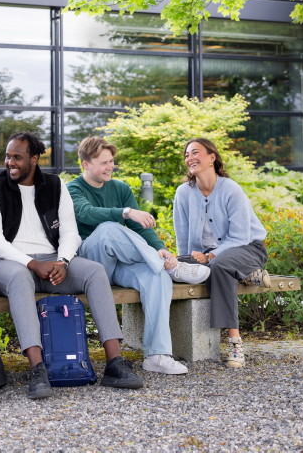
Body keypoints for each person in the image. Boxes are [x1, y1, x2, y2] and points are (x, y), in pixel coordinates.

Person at [0, 131, 144, 399]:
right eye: (8, 157)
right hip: (8, 263)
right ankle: (37, 368)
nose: (10, 162)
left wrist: (63, 260)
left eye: (17, 157)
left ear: (34, 158)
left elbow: (70, 232)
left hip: (52, 261)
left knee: (94, 271)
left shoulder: (55, 186)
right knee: (21, 278)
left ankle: (114, 363)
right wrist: (31, 263)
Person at [67, 137, 210, 375]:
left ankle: (157, 355)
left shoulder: (120, 188)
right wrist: (125, 212)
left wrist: (160, 248)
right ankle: (169, 267)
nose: (110, 167)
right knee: (108, 228)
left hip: (120, 265)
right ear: (85, 164)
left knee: (157, 278)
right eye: (103, 163)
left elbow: (140, 229)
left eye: (111, 161)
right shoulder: (72, 189)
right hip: (91, 266)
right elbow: (87, 213)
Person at [173, 137, 270, 368]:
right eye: (187, 155)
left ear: (212, 157)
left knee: (219, 265)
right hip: (207, 256)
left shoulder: (231, 190)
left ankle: (234, 341)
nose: (190, 158)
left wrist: (208, 258)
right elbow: (183, 239)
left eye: (195, 152)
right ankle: (248, 274)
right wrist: (186, 264)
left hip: (248, 247)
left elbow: (239, 237)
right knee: (174, 264)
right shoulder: (184, 193)